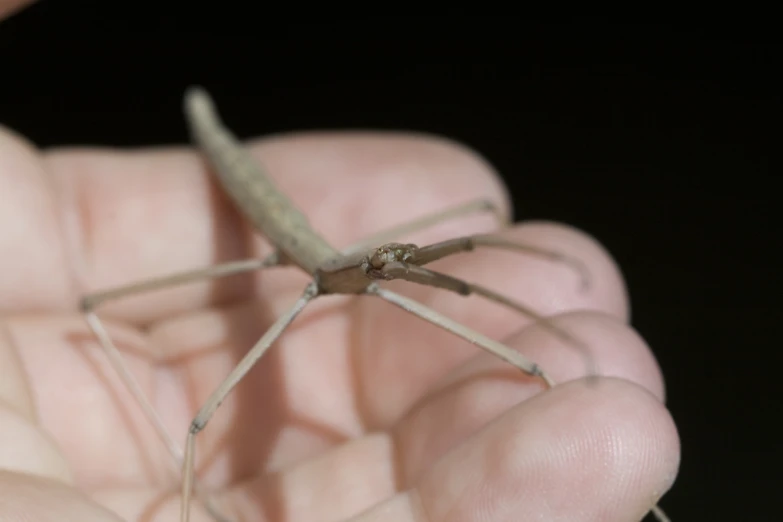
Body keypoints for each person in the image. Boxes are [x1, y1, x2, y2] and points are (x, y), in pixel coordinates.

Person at [0, 3, 679, 521]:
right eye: (388, 268)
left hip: (330, 263)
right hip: (259, 203)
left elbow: (451, 265)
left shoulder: (379, 274)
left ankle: (640, 491)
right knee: (198, 413)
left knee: (495, 306)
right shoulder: (320, 278)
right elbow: (198, 420)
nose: (404, 272)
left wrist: (541, 355)